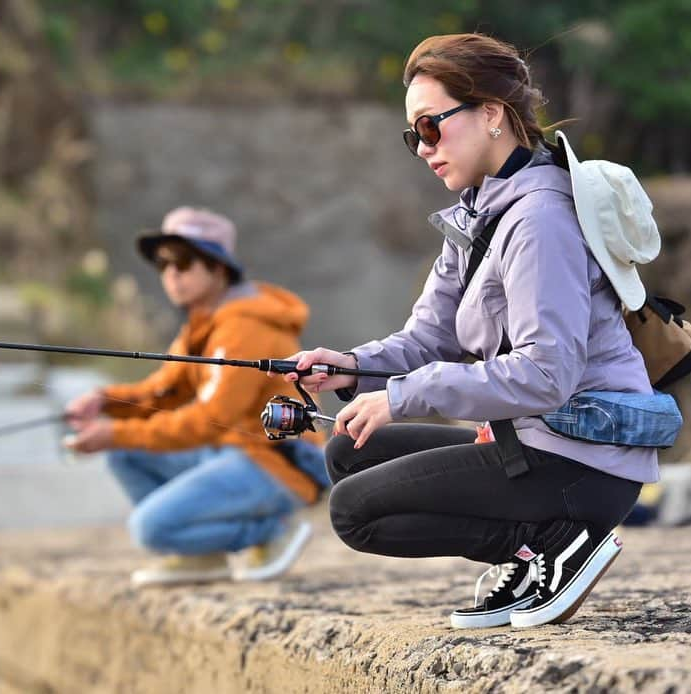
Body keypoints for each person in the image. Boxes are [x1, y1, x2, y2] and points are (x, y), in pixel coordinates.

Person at [284, 33, 662, 629]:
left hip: (581, 464)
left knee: (354, 512)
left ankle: (555, 546)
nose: (422, 148)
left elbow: (546, 374)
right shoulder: (477, 212)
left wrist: (404, 396)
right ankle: (536, 547)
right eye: (414, 136)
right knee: (348, 451)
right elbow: (429, 338)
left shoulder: (540, 218)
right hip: (530, 444)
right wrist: (353, 368)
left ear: (490, 113)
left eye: (431, 127)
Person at [65, 207, 326, 586]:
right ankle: (200, 557)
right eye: (163, 264)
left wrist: (114, 431)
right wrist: (104, 401)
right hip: (232, 452)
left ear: (219, 269)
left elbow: (208, 419)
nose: (172, 274)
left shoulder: (244, 326)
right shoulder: (202, 323)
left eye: (185, 262)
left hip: (278, 466)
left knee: (147, 529)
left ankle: (270, 531)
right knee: (124, 454)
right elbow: (164, 392)